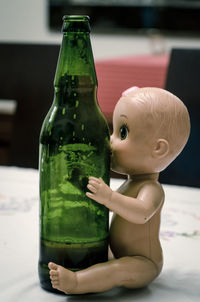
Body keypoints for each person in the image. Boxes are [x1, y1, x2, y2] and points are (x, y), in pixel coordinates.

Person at [48, 86, 190, 294]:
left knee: (117, 270)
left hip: (143, 263)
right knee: (90, 247)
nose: (110, 141)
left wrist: (110, 197)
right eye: (112, 131)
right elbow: (112, 206)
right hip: (116, 251)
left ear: (158, 149)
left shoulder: (152, 189)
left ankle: (77, 283)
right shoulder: (131, 183)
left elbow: (141, 213)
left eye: (122, 133)